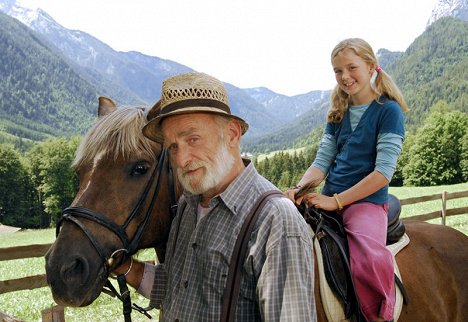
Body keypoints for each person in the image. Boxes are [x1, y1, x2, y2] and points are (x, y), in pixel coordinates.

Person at [114, 72, 316, 321]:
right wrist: (126, 267)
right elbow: (179, 289)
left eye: (193, 139)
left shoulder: (274, 220)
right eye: (173, 146)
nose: (181, 159)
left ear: (232, 134)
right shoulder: (188, 206)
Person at [284, 38, 407, 322]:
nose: (344, 77)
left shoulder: (389, 111)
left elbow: (382, 174)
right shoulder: (338, 114)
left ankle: (378, 317)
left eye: (352, 68)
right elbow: (321, 163)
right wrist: (299, 189)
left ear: (371, 66)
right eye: (338, 70)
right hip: (328, 197)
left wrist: (336, 200)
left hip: (366, 203)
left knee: (367, 259)